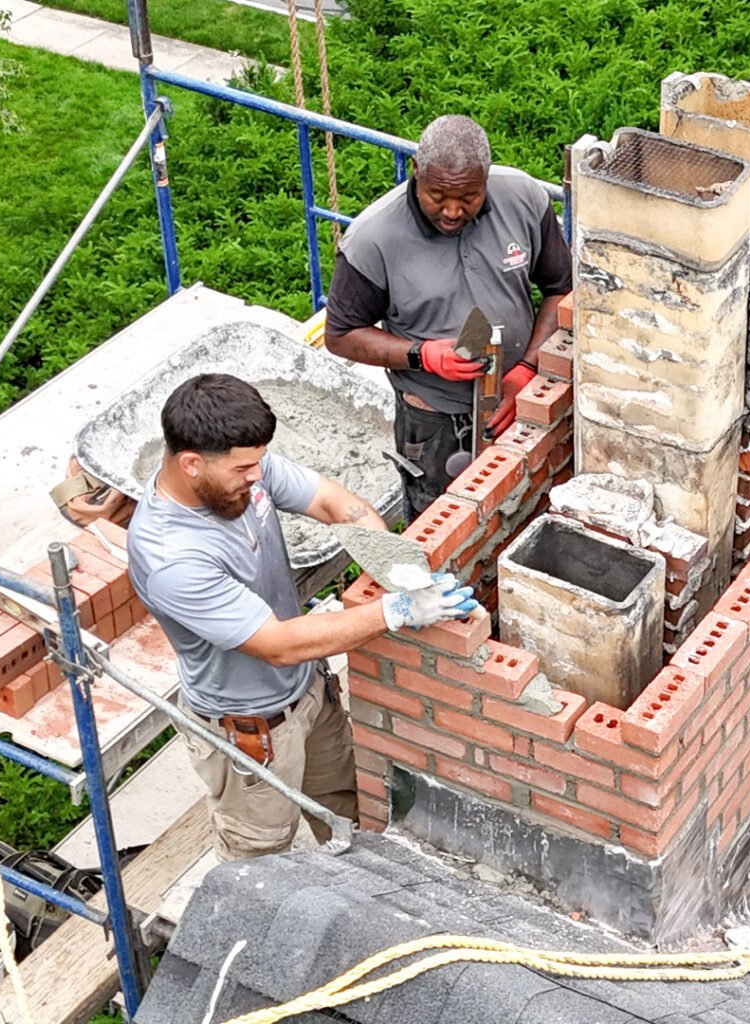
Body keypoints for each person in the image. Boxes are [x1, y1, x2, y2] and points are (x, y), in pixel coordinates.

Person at [127, 373, 476, 862]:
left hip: (309, 693)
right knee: (261, 853)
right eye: (244, 469)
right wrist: (396, 609)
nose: (257, 476)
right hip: (253, 730)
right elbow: (279, 643)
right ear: (191, 464)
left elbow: (334, 503)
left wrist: (390, 561)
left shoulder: (241, 469)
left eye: (259, 463)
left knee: (346, 812)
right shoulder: (172, 557)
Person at [325, 114, 572, 519]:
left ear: (487, 179)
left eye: (469, 197)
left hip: (517, 399)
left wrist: (527, 369)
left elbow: (560, 288)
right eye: (437, 195)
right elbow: (340, 335)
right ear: (416, 172)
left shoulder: (524, 200)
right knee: (441, 520)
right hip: (434, 417)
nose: (453, 210)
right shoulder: (374, 239)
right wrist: (423, 355)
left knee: (524, 507)